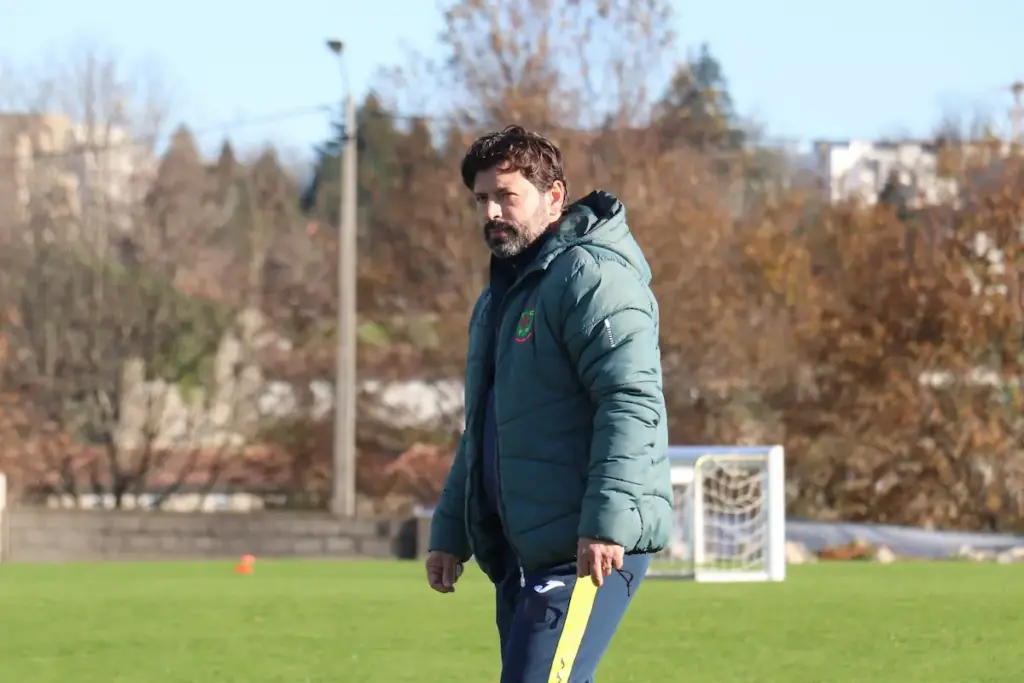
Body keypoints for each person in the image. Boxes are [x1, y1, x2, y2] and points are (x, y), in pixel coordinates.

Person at [425, 125, 673, 683]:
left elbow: (631, 402)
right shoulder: (500, 299)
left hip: (586, 549)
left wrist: (605, 526)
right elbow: (485, 426)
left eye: (506, 195)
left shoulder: (593, 278)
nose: (491, 212)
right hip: (524, 553)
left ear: (554, 196)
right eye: (481, 199)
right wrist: (451, 533)